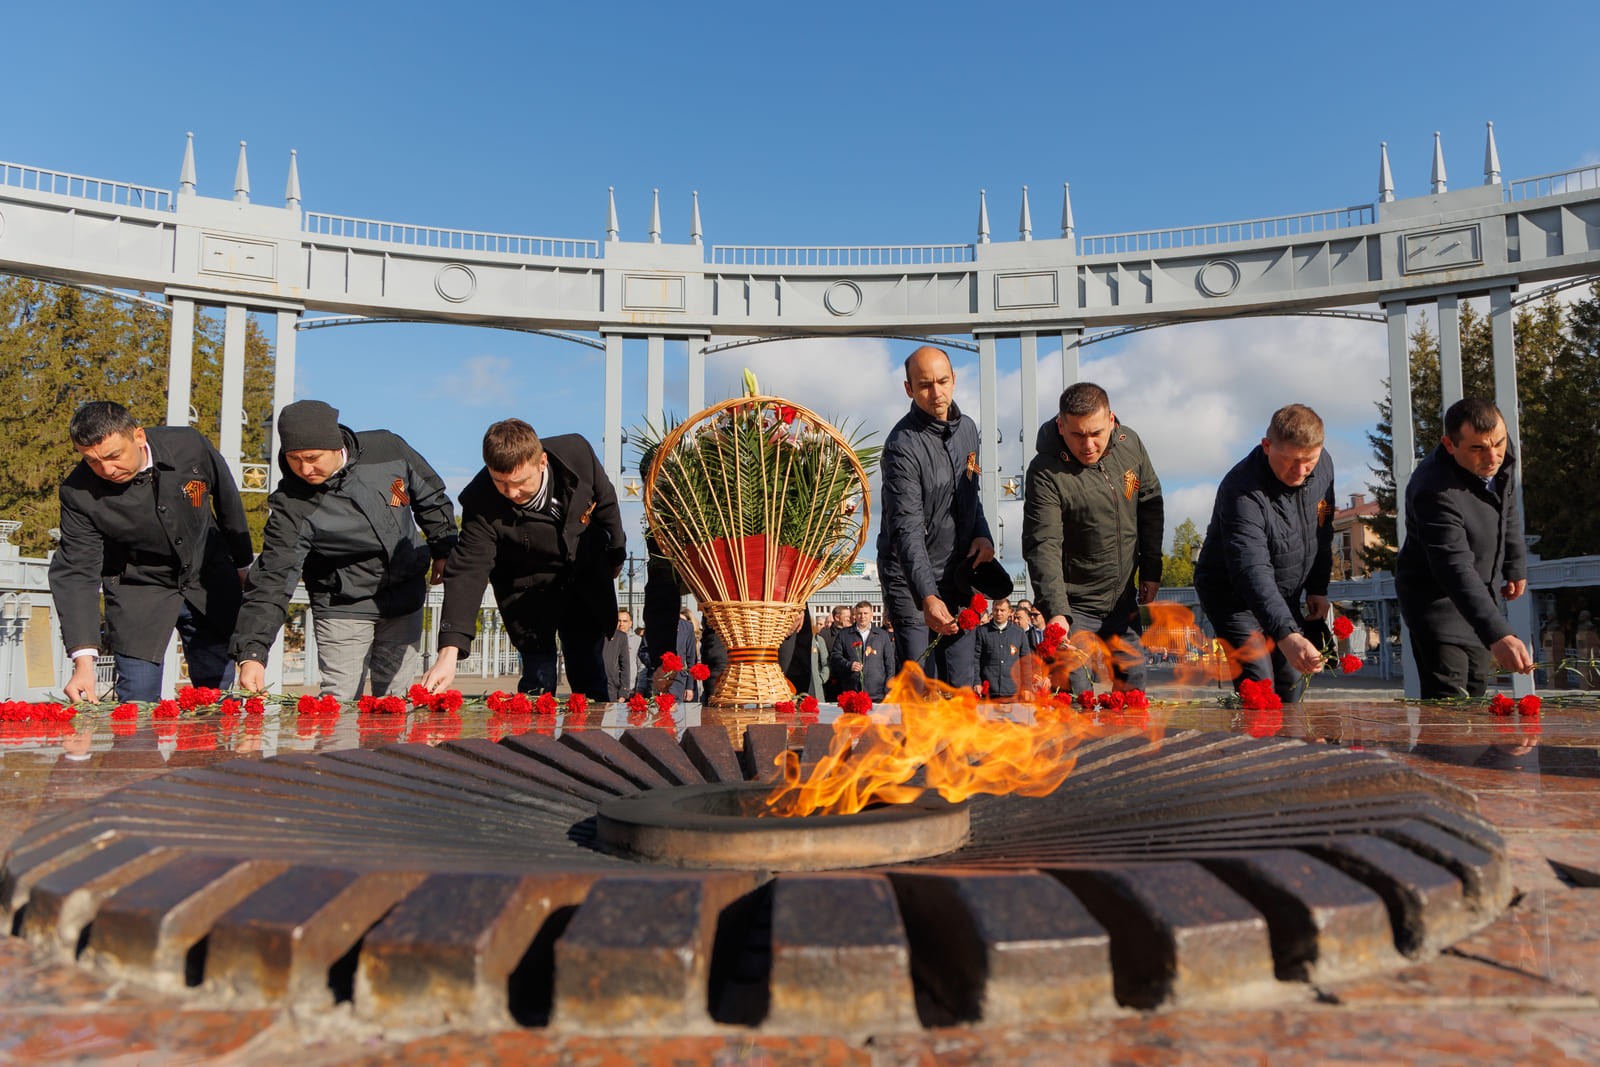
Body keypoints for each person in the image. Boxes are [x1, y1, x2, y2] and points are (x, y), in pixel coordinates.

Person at [231, 401, 457, 700]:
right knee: (338, 701)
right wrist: (253, 652)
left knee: (395, 701)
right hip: (342, 605)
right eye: (294, 459)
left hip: (405, 597)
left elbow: (432, 497)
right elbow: (273, 577)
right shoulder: (291, 505)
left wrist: (443, 548)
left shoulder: (388, 449)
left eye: (312, 458)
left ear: (336, 446)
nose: (304, 469)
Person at [50, 401, 253, 703]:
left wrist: (242, 566)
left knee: (216, 700)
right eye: (91, 461)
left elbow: (227, 502)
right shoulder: (77, 492)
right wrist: (83, 662)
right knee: (136, 700)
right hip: (138, 591)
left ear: (139, 436)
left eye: (113, 456)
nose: (106, 469)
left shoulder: (189, 446)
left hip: (207, 580)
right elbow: (77, 570)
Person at [420, 419, 624, 698]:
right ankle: (533, 738)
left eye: (519, 483)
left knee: (588, 672)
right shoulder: (480, 501)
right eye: (500, 483)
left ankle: (591, 737)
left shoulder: (576, 454)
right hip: (527, 592)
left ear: (542, 462)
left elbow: (607, 502)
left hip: (582, 578)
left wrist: (616, 554)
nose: (512, 493)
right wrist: (448, 654)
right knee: (538, 681)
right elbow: (468, 570)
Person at [1022, 382, 1164, 693]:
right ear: (1061, 426)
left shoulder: (1131, 445)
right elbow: (1043, 543)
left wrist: (1152, 569)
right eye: (1077, 435)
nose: (1088, 445)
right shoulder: (1045, 472)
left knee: (1133, 689)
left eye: (1096, 433)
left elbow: (1150, 503)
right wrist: (1056, 611)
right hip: (1075, 606)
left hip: (1122, 600)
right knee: (1076, 696)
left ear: (1111, 421)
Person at [1193, 403, 1335, 703]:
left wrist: (1318, 587)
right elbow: (1251, 567)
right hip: (1232, 595)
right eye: (1290, 460)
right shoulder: (1240, 489)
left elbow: (1322, 528)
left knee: (1293, 681)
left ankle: (1288, 749)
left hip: (1284, 591)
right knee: (1259, 684)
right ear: (1267, 445)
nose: (1300, 471)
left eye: (1308, 461)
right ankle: (1254, 746)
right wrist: (1287, 634)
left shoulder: (1324, 468)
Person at [1395, 398, 1533, 698]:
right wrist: (1499, 633)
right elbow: (1453, 567)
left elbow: (1506, 505)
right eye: (1477, 449)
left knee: (1476, 699)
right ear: (1449, 444)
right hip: (1437, 610)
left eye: (1498, 443)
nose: (1493, 456)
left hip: (1481, 600)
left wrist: (1515, 563)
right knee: (1451, 712)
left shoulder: (1497, 450)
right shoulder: (1432, 490)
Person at [877, 345, 995, 685]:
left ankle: (959, 741)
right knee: (920, 683)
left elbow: (971, 495)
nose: (936, 392)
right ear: (909, 389)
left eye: (943, 381)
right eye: (925, 385)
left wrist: (983, 533)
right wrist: (927, 595)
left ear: (954, 380)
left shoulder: (969, 431)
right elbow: (906, 529)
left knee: (960, 681)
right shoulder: (901, 446)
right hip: (909, 577)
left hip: (958, 573)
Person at [830, 601, 896, 701]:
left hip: (877, 694)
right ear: (855, 615)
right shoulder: (844, 634)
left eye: (865, 613)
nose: (862, 616)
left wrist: (888, 690)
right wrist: (849, 665)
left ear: (871, 615)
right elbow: (835, 657)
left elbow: (890, 664)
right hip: (852, 692)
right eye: (859, 613)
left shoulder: (882, 635)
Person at [974, 597, 1026, 698]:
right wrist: (977, 681)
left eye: (1002, 610)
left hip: (1013, 690)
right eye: (996, 610)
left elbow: (1026, 660)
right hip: (989, 690)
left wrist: (1027, 686)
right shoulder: (982, 632)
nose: (998, 613)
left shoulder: (1018, 633)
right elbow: (976, 659)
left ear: (1010, 612)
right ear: (992, 610)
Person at [603, 609, 640, 700]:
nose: (621, 624)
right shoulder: (609, 639)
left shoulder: (637, 640)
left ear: (630, 623)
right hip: (614, 686)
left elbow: (640, 666)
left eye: (624, 621)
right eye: (619, 621)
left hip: (631, 688)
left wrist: (640, 688)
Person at [822, 604, 853, 701]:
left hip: (850, 680)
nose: (850, 619)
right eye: (847, 617)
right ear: (837, 617)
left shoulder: (853, 634)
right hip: (832, 683)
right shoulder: (824, 635)